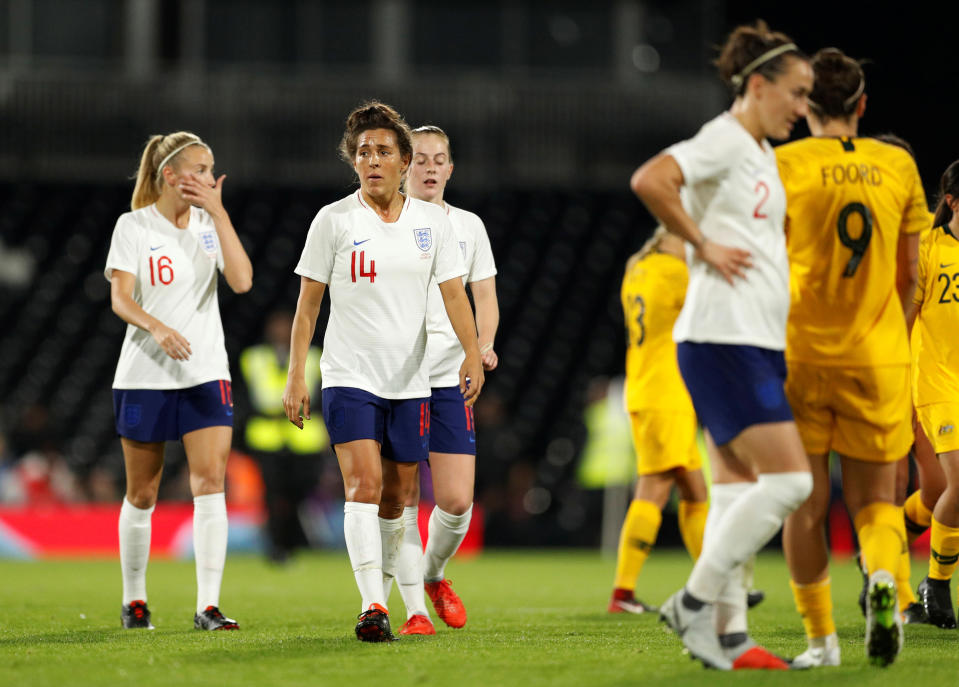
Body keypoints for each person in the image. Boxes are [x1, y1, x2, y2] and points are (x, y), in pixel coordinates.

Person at [630, 21, 813, 671]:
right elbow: (651, 179)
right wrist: (700, 245)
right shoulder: (725, 139)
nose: (802, 106)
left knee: (735, 489)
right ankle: (693, 601)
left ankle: (729, 637)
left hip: (750, 338)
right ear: (757, 85)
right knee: (790, 479)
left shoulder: (759, 151)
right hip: (722, 337)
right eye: (795, 92)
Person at [282, 102, 484, 642]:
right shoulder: (333, 220)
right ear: (354, 161)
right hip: (349, 374)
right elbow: (307, 309)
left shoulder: (430, 225)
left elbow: (455, 296)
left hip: (411, 381)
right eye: (363, 152)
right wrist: (297, 375)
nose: (372, 160)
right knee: (363, 485)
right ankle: (373, 605)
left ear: (403, 161)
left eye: (383, 151)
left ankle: (406, 596)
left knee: (397, 500)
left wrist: (472, 351)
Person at [775, 48, 929, 667]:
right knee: (876, 504)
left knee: (806, 509)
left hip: (803, 355)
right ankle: (886, 581)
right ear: (863, 105)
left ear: (806, 106)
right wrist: (890, 330)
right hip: (879, 358)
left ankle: (821, 642)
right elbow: (911, 274)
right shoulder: (898, 165)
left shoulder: (782, 163)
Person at [106, 131, 253, 631]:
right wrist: (157, 326)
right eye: (201, 168)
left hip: (205, 372)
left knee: (210, 486)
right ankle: (135, 600)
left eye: (212, 169)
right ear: (170, 175)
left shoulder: (211, 227)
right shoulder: (133, 226)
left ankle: (207, 605)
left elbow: (242, 281)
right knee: (142, 492)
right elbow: (120, 298)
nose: (211, 177)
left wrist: (222, 213)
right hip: (145, 373)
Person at [377, 125, 499, 635]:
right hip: (397, 377)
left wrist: (483, 347)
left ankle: (433, 574)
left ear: (451, 169)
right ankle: (404, 610)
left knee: (454, 501)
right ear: (406, 166)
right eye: (420, 158)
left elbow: (484, 297)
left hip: (448, 376)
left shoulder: (468, 226)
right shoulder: (383, 221)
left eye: (439, 159)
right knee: (400, 496)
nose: (429, 167)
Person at [608, 228, 708, 613]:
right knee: (654, 487)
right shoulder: (678, 274)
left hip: (646, 386)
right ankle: (623, 592)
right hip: (668, 392)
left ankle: (712, 582)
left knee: (695, 490)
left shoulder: (637, 267)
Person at [908, 160, 959, 629]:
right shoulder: (930, 247)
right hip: (936, 380)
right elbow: (908, 314)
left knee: (938, 492)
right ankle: (937, 587)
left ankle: (899, 529)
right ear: (953, 202)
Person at [239, 310, 328, 562]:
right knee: (272, 493)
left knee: (298, 493)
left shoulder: (313, 357)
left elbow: (321, 397)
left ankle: (294, 540)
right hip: (266, 437)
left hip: (304, 438)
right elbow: (247, 397)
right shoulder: (253, 358)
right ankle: (277, 546)